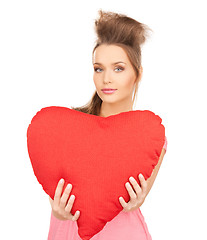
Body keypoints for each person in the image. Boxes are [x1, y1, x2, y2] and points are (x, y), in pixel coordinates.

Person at [47, 9, 168, 240]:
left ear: (138, 74)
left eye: (118, 68)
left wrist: (136, 200)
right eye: (98, 68)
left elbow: (135, 202)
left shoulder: (150, 137)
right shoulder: (69, 126)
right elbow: (56, 190)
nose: (106, 79)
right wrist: (58, 210)